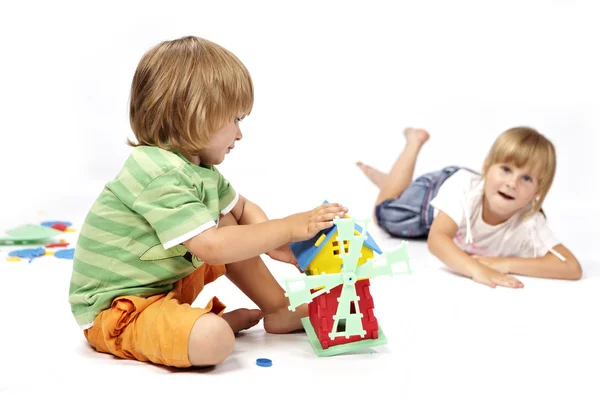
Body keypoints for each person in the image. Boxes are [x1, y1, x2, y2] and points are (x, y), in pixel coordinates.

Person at [68, 36, 348, 369]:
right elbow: (212, 248)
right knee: (213, 339)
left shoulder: (199, 170)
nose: (239, 135)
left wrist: (278, 241)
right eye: (235, 120)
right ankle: (204, 328)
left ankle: (277, 309)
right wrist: (288, 226)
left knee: (226, 222)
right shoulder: (156, 172)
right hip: (118, 312)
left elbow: (241, 211)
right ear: (194, 115)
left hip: (161, 288)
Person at [356, 126, 582, 288]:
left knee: (400, 198)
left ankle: (394, 183)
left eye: (526, 179)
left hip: (458, 220)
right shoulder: (464, 188)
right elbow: (437, 240)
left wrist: (505, 263)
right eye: (505, 169)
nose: (511, 183)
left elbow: (571, 267)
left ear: (536, 193)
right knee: (384, 213)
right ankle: (412, 145)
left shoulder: (530, 221)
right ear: (486, 167)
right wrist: (476, 270)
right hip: (432, 196)